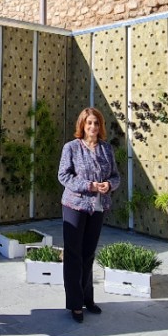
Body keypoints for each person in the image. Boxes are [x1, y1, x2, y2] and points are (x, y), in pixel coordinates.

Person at [57, 107, 121, 322]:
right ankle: (75, 304)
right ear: (82, 125)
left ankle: (88, 299)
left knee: (88, 254)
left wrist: (108, 185)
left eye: (96, 123)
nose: (93, 127)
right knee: (74, 255)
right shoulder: (72, 148)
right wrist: (89, 185)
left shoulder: (106, 149)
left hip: (98, 207)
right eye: (89, 123)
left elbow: (115, 176)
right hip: (74, 206)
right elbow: (63, 176)